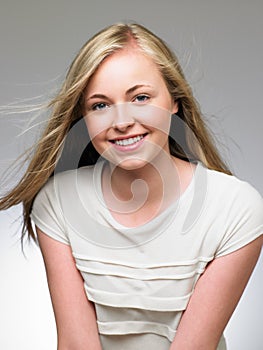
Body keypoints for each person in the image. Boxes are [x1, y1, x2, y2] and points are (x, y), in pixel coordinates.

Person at [0, 23, 262, 350]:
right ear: (82, 116)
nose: (122, 121)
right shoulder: (58, 202)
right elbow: (75, 343)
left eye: (140, 97)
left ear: (174, 100)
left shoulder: (236, 209)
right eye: (100, 105)